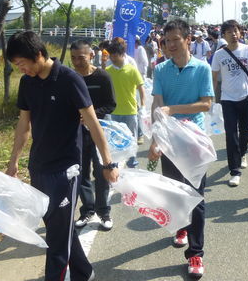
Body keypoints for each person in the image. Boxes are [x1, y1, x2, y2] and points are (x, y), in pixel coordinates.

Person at [5, 31, 118, 281]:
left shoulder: (69, 79)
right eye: (17, 66)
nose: (21, 70)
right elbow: (24, 125)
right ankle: (84, 272)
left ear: (38, 55)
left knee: (56, 240)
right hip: (39, 166)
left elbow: (93, 123)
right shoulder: (28, 82)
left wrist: (107, 162)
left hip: (67, 168)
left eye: (22, 64)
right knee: (58, 228)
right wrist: (14, 161)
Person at [148, 19, 214, 279]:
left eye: (176, 39)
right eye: (167, 41)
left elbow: (206, 104)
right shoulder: (161, 70)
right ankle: (181, 227)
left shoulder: (202, 68)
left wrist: (174, 110)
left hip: (194, 140)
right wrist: (155, 139)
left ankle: (196, 253)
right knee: (174, 193)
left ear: (188, 39)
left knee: (195, 197)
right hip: (169, 140)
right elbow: (157, 105)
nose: (171, 45)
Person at [211, 20, 248, 187]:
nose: (233, 34)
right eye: (229, 32)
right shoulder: (219, 55)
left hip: (246, 96)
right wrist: (212, 99)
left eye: (235, 30)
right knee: (231, 134)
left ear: (240, 33)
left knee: (245, 130)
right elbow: (214, 78)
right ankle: (234, 171)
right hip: (227, 99)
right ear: (224, 36)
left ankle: (242, 153)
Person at [69, 40, 117, 231]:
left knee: (102, 172)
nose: (76, 62)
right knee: (81, 173)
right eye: (73, 58)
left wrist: (91, 116)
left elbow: (111, 104)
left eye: (80, 57)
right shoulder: (70, 77)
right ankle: (87, 210)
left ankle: (104, 211)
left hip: (100, 131)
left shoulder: (103, 77)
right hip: (77, 133)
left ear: (91, 55)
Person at [106, 38, 145, 168]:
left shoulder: (132, 69)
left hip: (130, 111)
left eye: (115, 55)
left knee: (131, 139)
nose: (112, 58)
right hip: (114, 112)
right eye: (111, 55)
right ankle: (115, 166)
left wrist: (143, 106)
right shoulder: (108, 71)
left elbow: (141, 88)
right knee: (115, 141)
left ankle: (132, 164)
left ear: (122, 54)